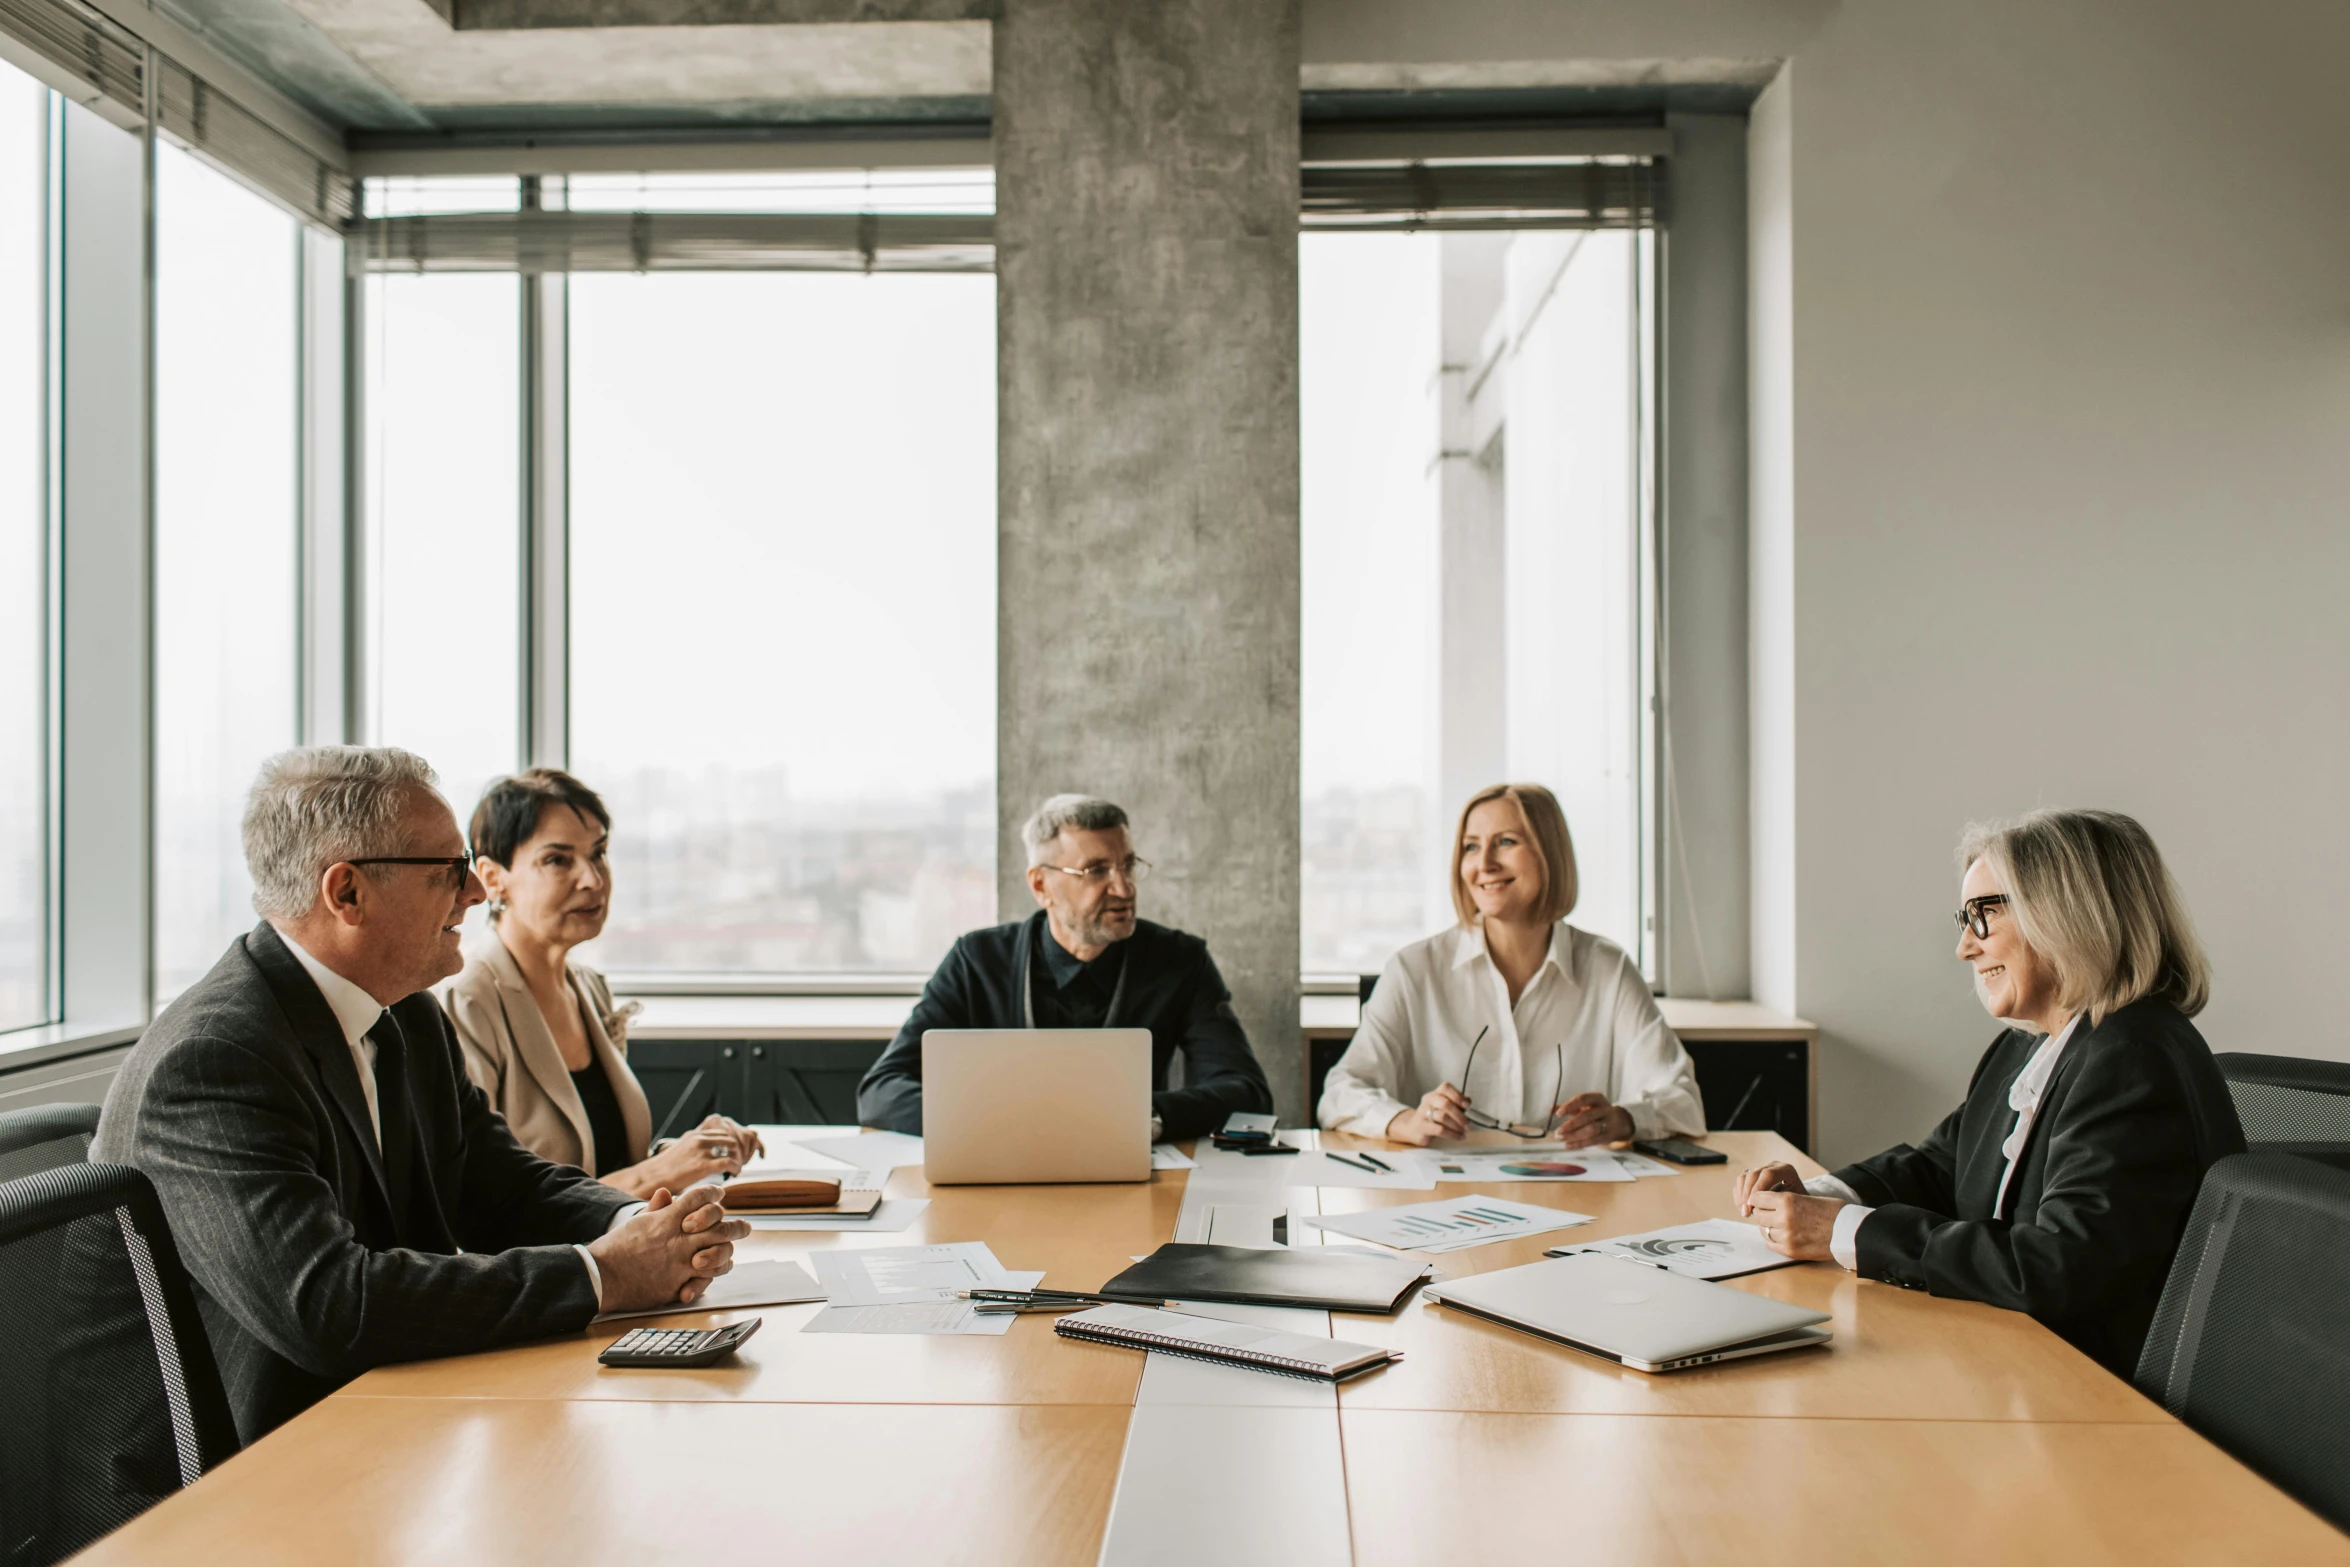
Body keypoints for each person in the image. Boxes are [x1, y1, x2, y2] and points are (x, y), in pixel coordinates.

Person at [93, 747, 751, 1443]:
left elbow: (495, 1184)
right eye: (446, 869)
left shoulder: (405, 1011)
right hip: (235, 1472)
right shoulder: (215, 1059)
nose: (474, 891)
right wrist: (604, 1276)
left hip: (379, 1415)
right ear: (345, 893)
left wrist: (642, 1228)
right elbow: (329, 1307)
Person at [1736, 808, 2245, 1375]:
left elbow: (2057, 1266)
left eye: (1983, 915)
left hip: (2092, 1394)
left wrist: (1845, 1231)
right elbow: (1942, 1165)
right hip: (2010, 1360)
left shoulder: (2133, 1059)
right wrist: (1821, 1194)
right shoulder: (2031, 1046)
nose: (1964, 948)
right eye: (1964, 916)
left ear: (2066, 914)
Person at [855, 794, 1273, 1141]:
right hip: (1001, 1179)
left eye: (1127, 865)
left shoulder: (1179, 960)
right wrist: (998, 1123)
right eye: (1096, 871)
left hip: (1132, 1179)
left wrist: (1145, 1116)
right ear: (1041, 885)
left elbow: (1248, 1093)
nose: (1124, 888)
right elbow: (881, 1091)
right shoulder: (977, 961)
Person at [1319, 782, 1705, 1148]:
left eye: (1505, 842)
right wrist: (1405, 1121)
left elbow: (1683, 1100)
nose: (1483, 863)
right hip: (1445, 1199)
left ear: (1550, 854)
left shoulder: (1609, 970)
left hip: (1577, 1199)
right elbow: (1339, 1092)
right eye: (1471, 847)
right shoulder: (1413, 970)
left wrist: (1623, 1119)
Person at [440, 768, 762, 1197]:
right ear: (493, 877)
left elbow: (608, 1166)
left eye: (598, 853)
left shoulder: (588, 987)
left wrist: (688, 1155)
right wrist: (658, 1173)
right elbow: (481, 1207)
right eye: (557, 859)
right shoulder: (466, 1000)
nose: (592, 879)